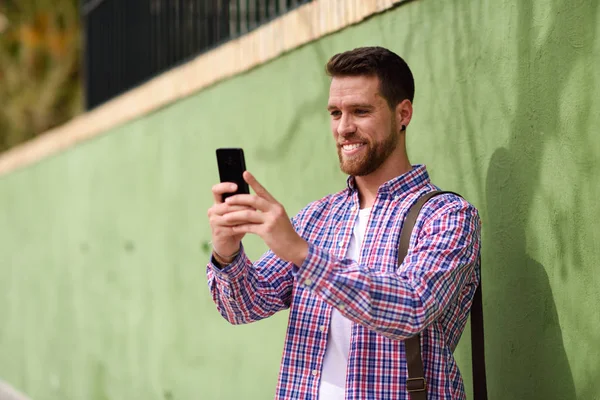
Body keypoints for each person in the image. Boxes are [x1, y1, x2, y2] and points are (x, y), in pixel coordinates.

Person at [207, 46, 481, 400]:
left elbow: (412, 306)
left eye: (360, 111)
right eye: (335, 113)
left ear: (404, 113)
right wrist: (227, 252)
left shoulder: (447, 216)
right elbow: (244, 306)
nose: (344, 127)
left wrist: (304, 255)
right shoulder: (318, 218)